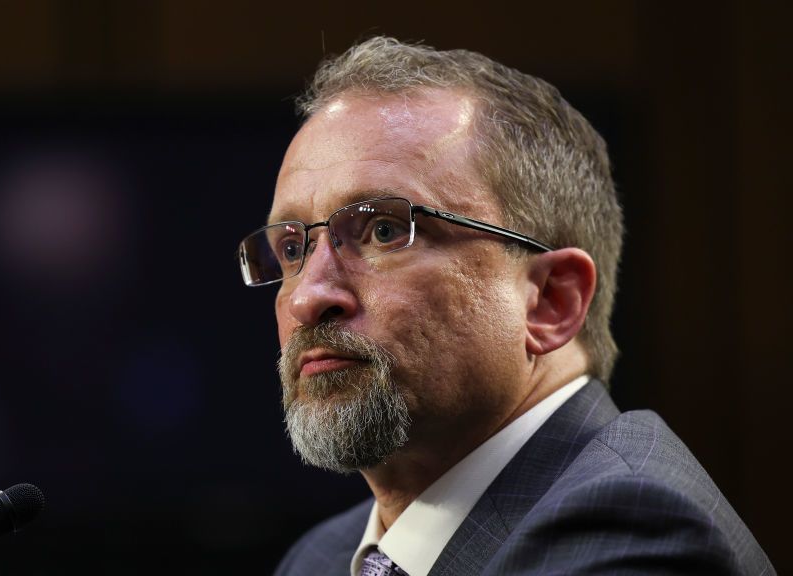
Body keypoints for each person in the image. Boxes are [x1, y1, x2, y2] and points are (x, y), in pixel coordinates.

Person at [236, 37, 773, 575]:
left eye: (383, 230)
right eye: (291, 249)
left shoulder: (631, 532)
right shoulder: (321, 560)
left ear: (550, 302)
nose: (308, 296)